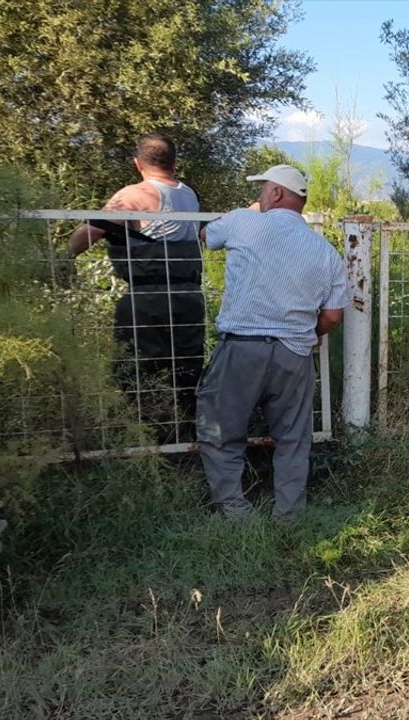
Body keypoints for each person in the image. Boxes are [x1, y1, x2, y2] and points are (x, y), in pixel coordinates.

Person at [196, 164, 346, 519]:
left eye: (262, 189)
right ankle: (289, 515)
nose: (259, 195)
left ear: (276, 193)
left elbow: (205, 236)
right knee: (294, 438)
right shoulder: (326, 251)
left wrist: (251, 212)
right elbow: (334, 315)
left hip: (242, 348)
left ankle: (235, 512)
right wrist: (309, 333)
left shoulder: (243, 222)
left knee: (221, 431)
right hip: (294, 355)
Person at [69, 133, 205, 443]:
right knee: (185, 370)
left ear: (137, 163)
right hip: (189, 297)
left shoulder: (133, 194)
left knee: (138, 371)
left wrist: (65, 257)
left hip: (148, 299)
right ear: (175, 163)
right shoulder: (190, 195)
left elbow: (89, 232)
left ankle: (146, 441)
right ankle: (186, 436)